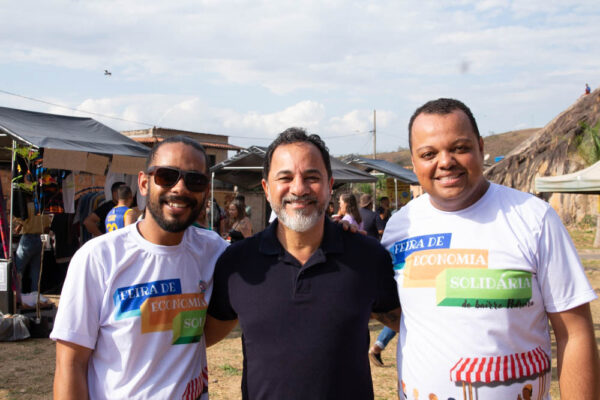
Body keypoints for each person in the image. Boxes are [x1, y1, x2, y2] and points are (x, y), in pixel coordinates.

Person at [382, 98, 599, 399]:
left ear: (481, 147)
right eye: (429, 153)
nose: (445, 162)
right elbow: (400, 311)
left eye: (459, 148)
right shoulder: (399, 226)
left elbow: (574, 333)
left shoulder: (534, 219)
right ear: (414, 162)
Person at [205, 127, 401, 400]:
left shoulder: (368, 257)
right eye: (285, 177)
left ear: (330, 185)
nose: (298, 188)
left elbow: (414, 321)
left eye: (312, 177)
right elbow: (197, 338)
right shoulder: (237, 262)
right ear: (266, 188)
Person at [51, 135, 228, 399]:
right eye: (167, 176)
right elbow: (71, 363)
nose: (180, 188)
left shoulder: (214, 252)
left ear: (205, 192)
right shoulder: (98, 258)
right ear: (144, 184)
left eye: (195, 180)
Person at [13, 197, 52, 298]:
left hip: (27, 238)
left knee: (18, 269)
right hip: (39, 239)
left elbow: (20, 224)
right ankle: (35, 295)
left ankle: (17, 295)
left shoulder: (26, 207)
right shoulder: (43, 208)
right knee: (36, 270)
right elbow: (47, 228)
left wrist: (17, 228)